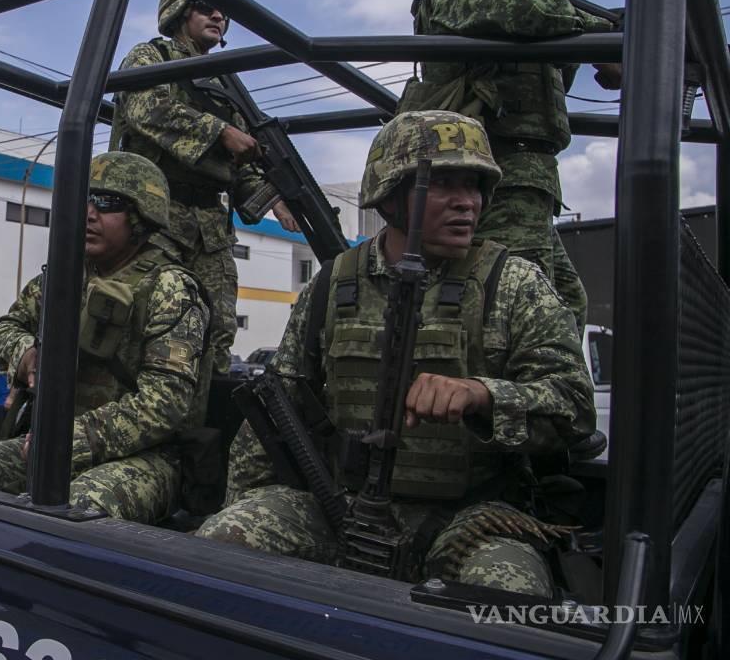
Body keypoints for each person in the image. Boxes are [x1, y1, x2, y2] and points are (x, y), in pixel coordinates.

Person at [196, 110, 596, 597]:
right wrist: (248, 498)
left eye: (474, 186)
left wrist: (481, 395)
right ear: (390, 197)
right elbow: (278, 411)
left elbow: (573, 408)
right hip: (341, 507)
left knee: (508, 601)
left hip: (471, 518)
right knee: (216, 553)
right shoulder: (333, 282)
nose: (466, 202)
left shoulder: (512, 283)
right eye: (444, 184)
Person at [395, 0, 622, 332]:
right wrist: (605, 34)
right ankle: (500, 402)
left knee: (560, 304)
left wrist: (575, 35)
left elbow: (553, 81)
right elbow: (530, 10)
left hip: (524, 176)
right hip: (496, 173)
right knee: (515, 315)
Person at [0, 152, 210, 524]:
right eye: (85, 200)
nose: (89, 213)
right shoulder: (64, 276)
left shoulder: (169, 287)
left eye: (108, 203)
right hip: (50, 444)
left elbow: (166, 403)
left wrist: (72, 439)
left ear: (141, 216)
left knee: (72, 511)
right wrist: (26, 354)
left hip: (147, 458)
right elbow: (3, 330)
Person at [110, 0, 298, 377]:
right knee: (145, 318)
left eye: (222, 12)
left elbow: (242, 165)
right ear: (179, 13)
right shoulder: (152, 56)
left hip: (209, 227)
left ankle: (201, 424)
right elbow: (146, 108)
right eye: (205, 7)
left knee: (216, 329)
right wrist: (218, 131)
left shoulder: (225, 85)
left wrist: (277, 199)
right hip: (153, 217)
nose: (218, 16)